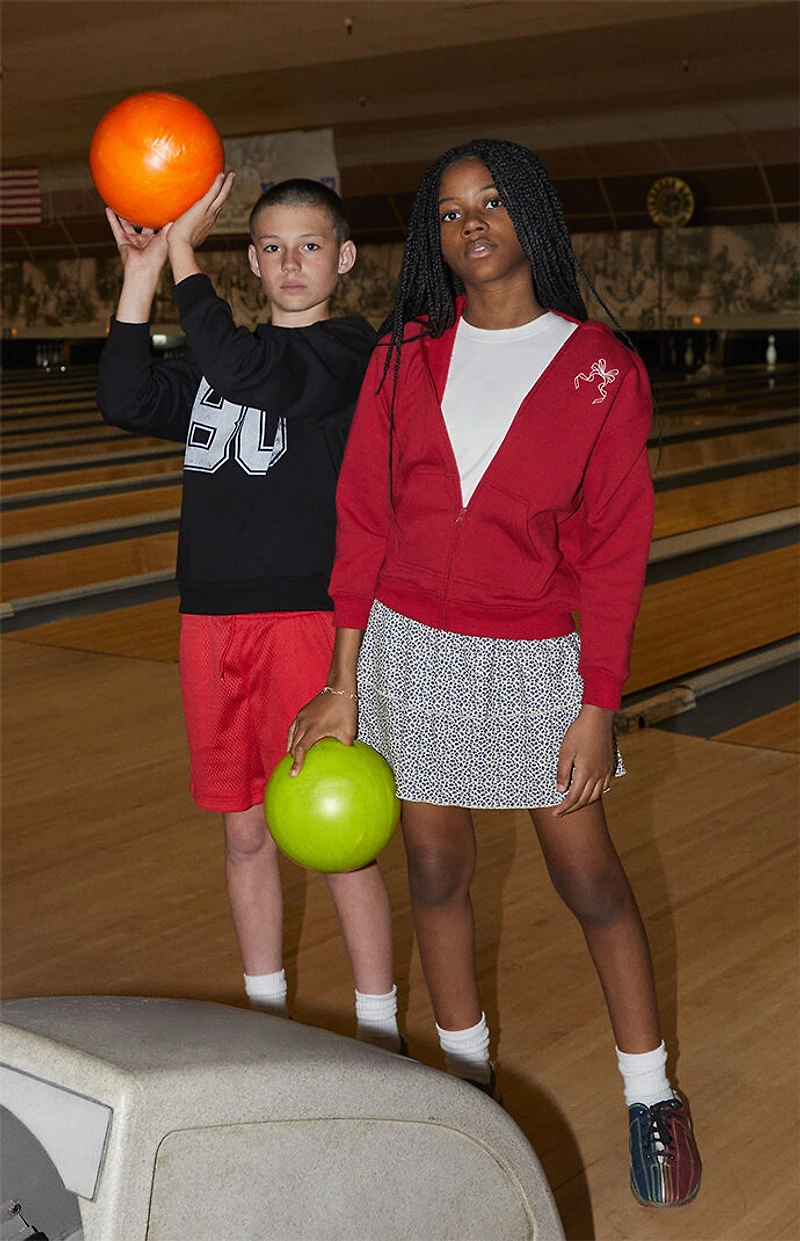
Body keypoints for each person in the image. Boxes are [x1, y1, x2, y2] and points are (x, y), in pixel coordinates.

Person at [287, 139, 701, 1207]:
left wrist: (599, 704)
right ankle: (467, 1080)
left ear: (532, 216)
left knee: (588, 877)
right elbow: (362, 522)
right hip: (409, 645)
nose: (470, 222)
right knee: (434, 869)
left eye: (492, 201)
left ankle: (650, 1090)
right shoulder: (404, 355)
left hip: (534, 656)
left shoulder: (601, 368)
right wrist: (342, 677)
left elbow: (614, 553)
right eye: (449, 210)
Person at [97, 174, 402, 1052]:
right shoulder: (221, 358)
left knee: (337, 834)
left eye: (309, 246)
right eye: (271, 247)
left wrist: (184, 255)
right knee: (242, 832)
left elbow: (245, 370)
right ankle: (266, 1018)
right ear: (254, 262)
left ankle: (379, 1029)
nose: (290, 262)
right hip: (210, 623)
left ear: (344, 259)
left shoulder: (348, 352)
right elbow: (124, 396)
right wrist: (143, 272)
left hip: (305, 623)